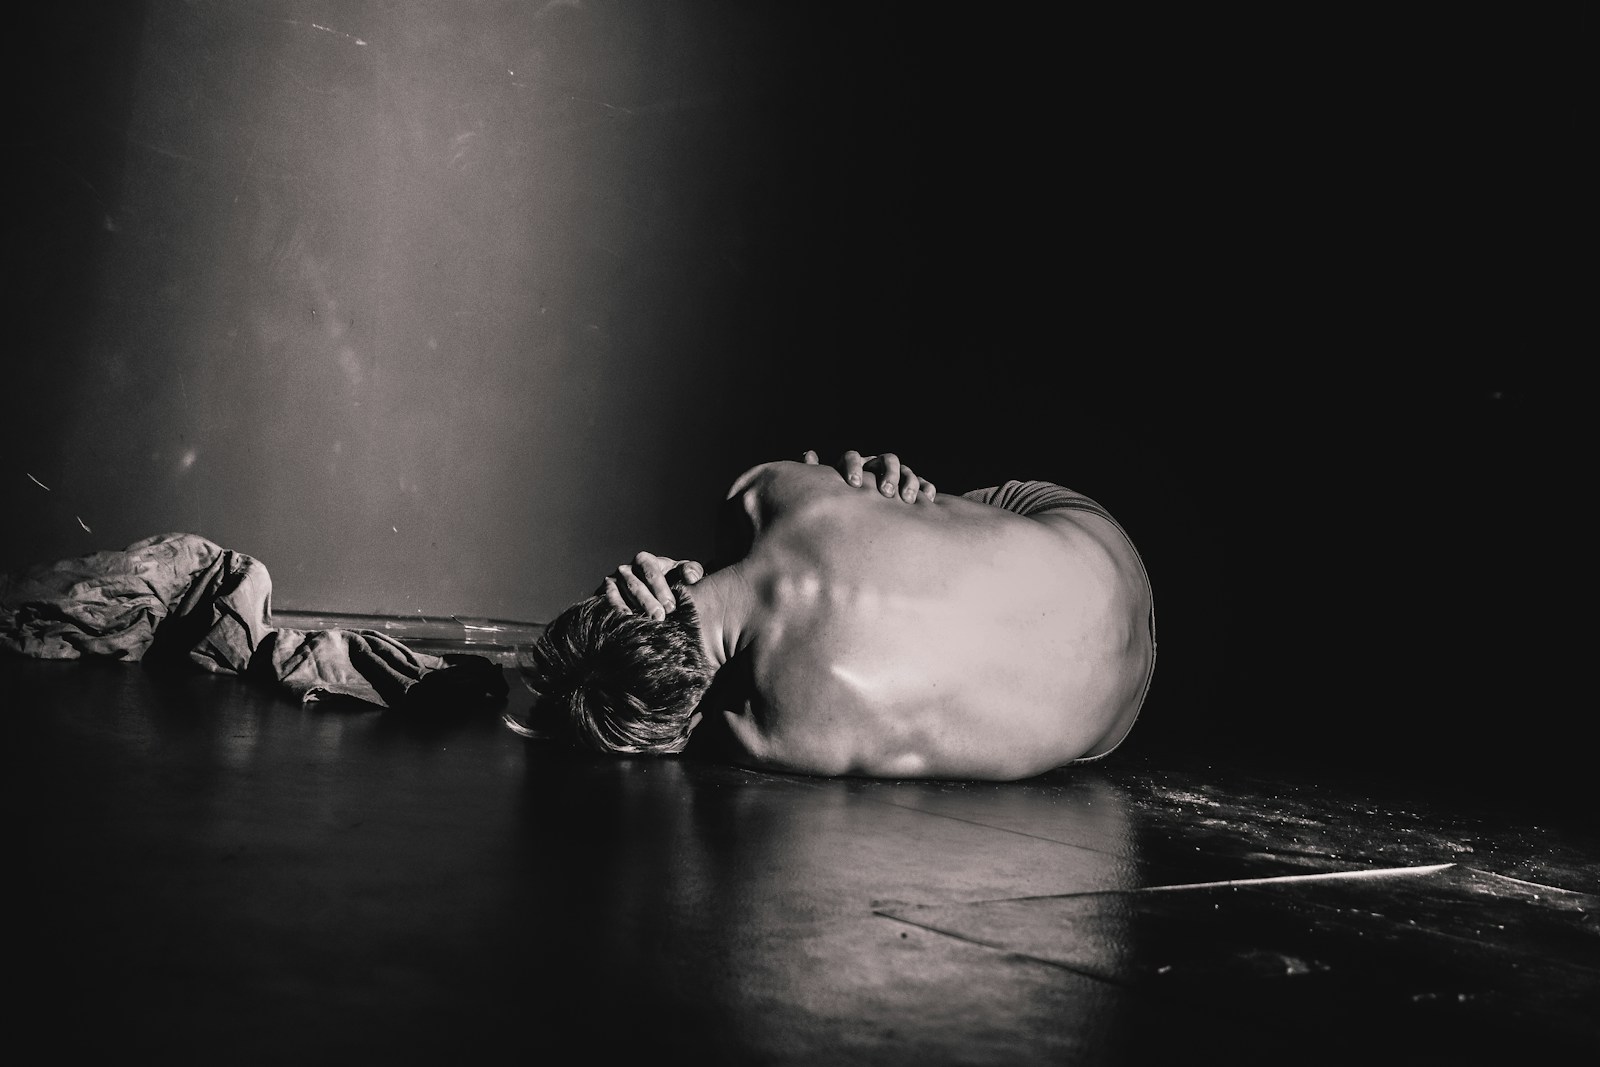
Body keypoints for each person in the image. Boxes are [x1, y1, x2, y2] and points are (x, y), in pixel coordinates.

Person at [505, 450, 1156, 781]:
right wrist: (876, 488)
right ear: (658, 571)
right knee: (903, 499)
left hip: (1108, 724)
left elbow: (667, 733)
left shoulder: (770, 736)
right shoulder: (761, 489)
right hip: (1105, 544)